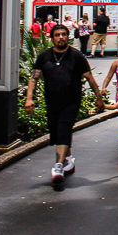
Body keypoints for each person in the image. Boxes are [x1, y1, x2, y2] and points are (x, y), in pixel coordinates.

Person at [25, 24, 105, 186]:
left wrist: (99, 98)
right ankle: (68, 159)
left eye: (63, 34)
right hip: (52, 102)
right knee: (56, 132)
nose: (60, 37)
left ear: (68, 37)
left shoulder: (76, 56)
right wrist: (29, 98)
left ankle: (58, 166)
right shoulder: (44, 56)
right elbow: (34, 78)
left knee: (64, 128)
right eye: (57, 35)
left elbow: (90, 78)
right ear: (52, 37)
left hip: (71, 101)